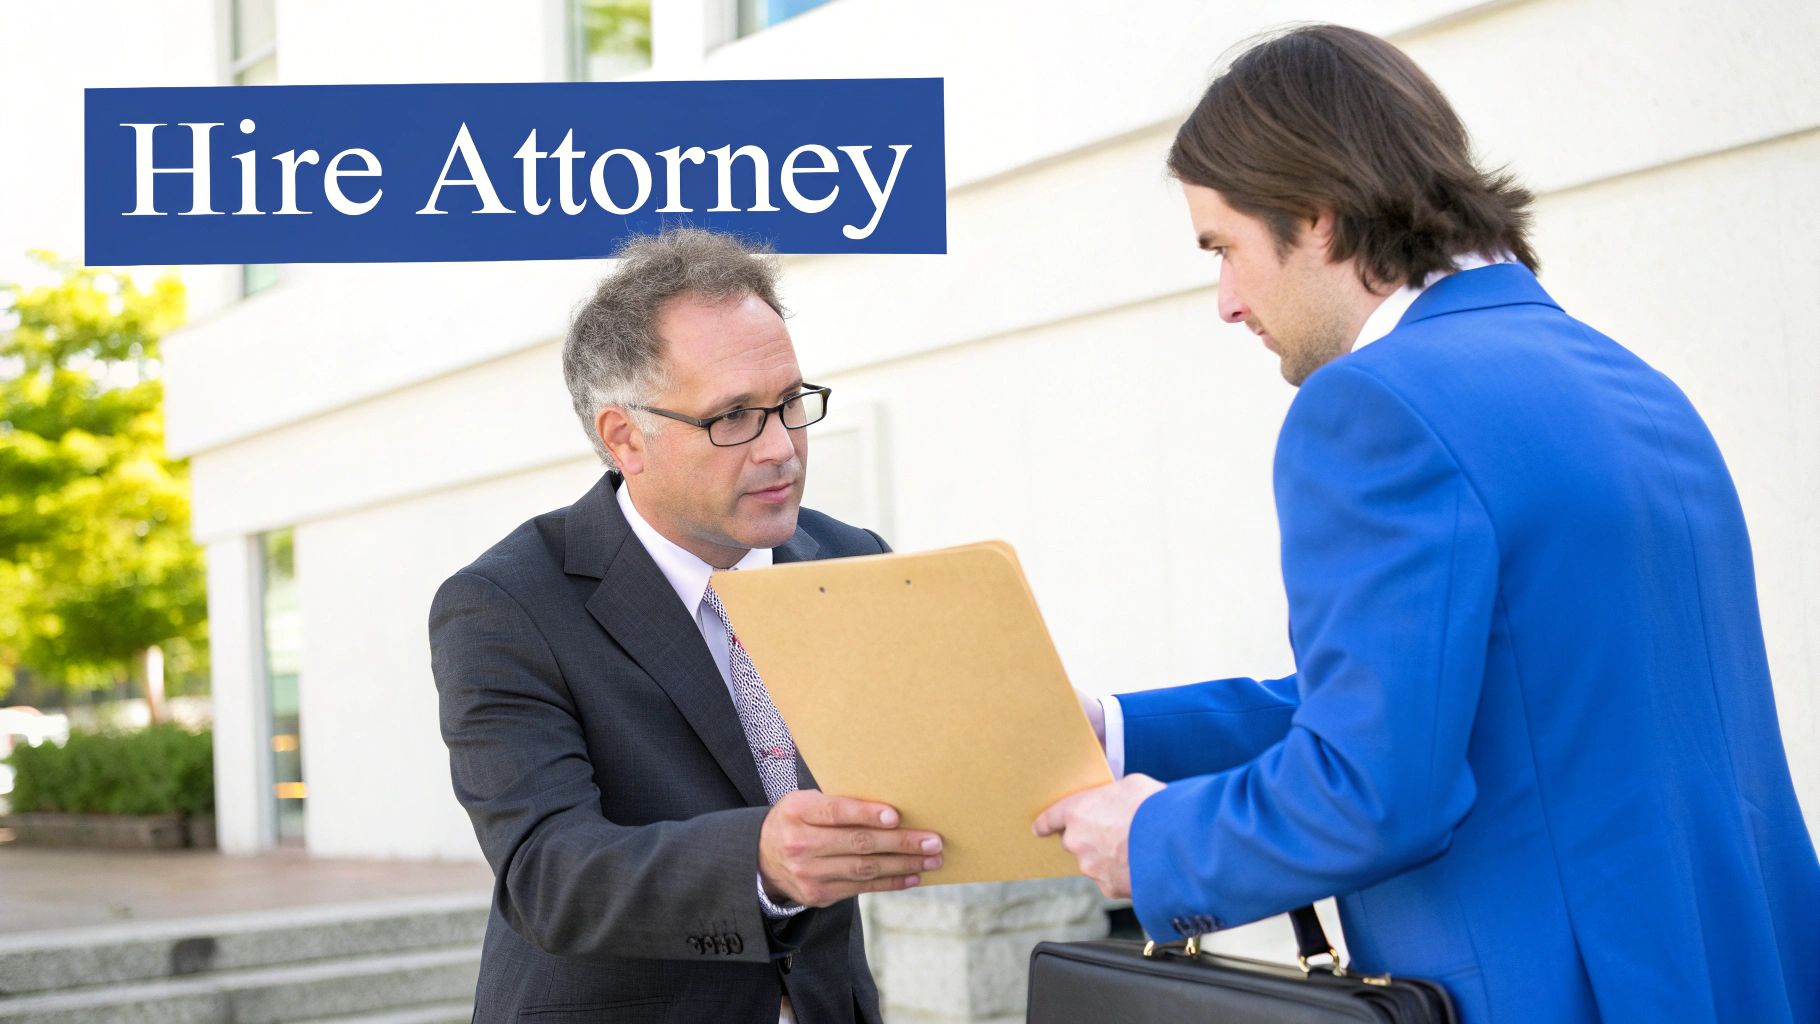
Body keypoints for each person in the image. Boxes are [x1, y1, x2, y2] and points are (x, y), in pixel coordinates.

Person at [1033, 24, 1819, 1023]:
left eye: (1223, 248)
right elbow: (1467, 696)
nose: (1226, 302)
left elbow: (1375, 786)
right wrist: (1116, 730)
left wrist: (1152, 842)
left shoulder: (1373, 405)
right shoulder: (1633, 384)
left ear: (1315, 217)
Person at [429, 228, 940, 1023]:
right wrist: (760, 863)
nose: (782, 448)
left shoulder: (853, 562)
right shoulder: (505, 605)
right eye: (734, 416)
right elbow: (546, 872)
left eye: (789, 403)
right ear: (625, 437)